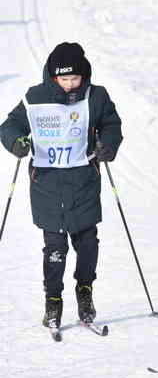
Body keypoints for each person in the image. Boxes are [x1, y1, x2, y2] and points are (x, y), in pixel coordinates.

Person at [0, 42, 123, 331]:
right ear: (53, 77)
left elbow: (111, 124)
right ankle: (53, 300)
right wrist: (17, 143)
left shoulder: (96, 96)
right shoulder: (36, 97)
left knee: (87, 242)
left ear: (84, 76)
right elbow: (9, 127)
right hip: (47, 185)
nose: (70, 85)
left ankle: (85, 291)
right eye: (64, 79)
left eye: (75, 79)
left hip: (84, 182)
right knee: (55, 248)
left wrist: (108, 145)